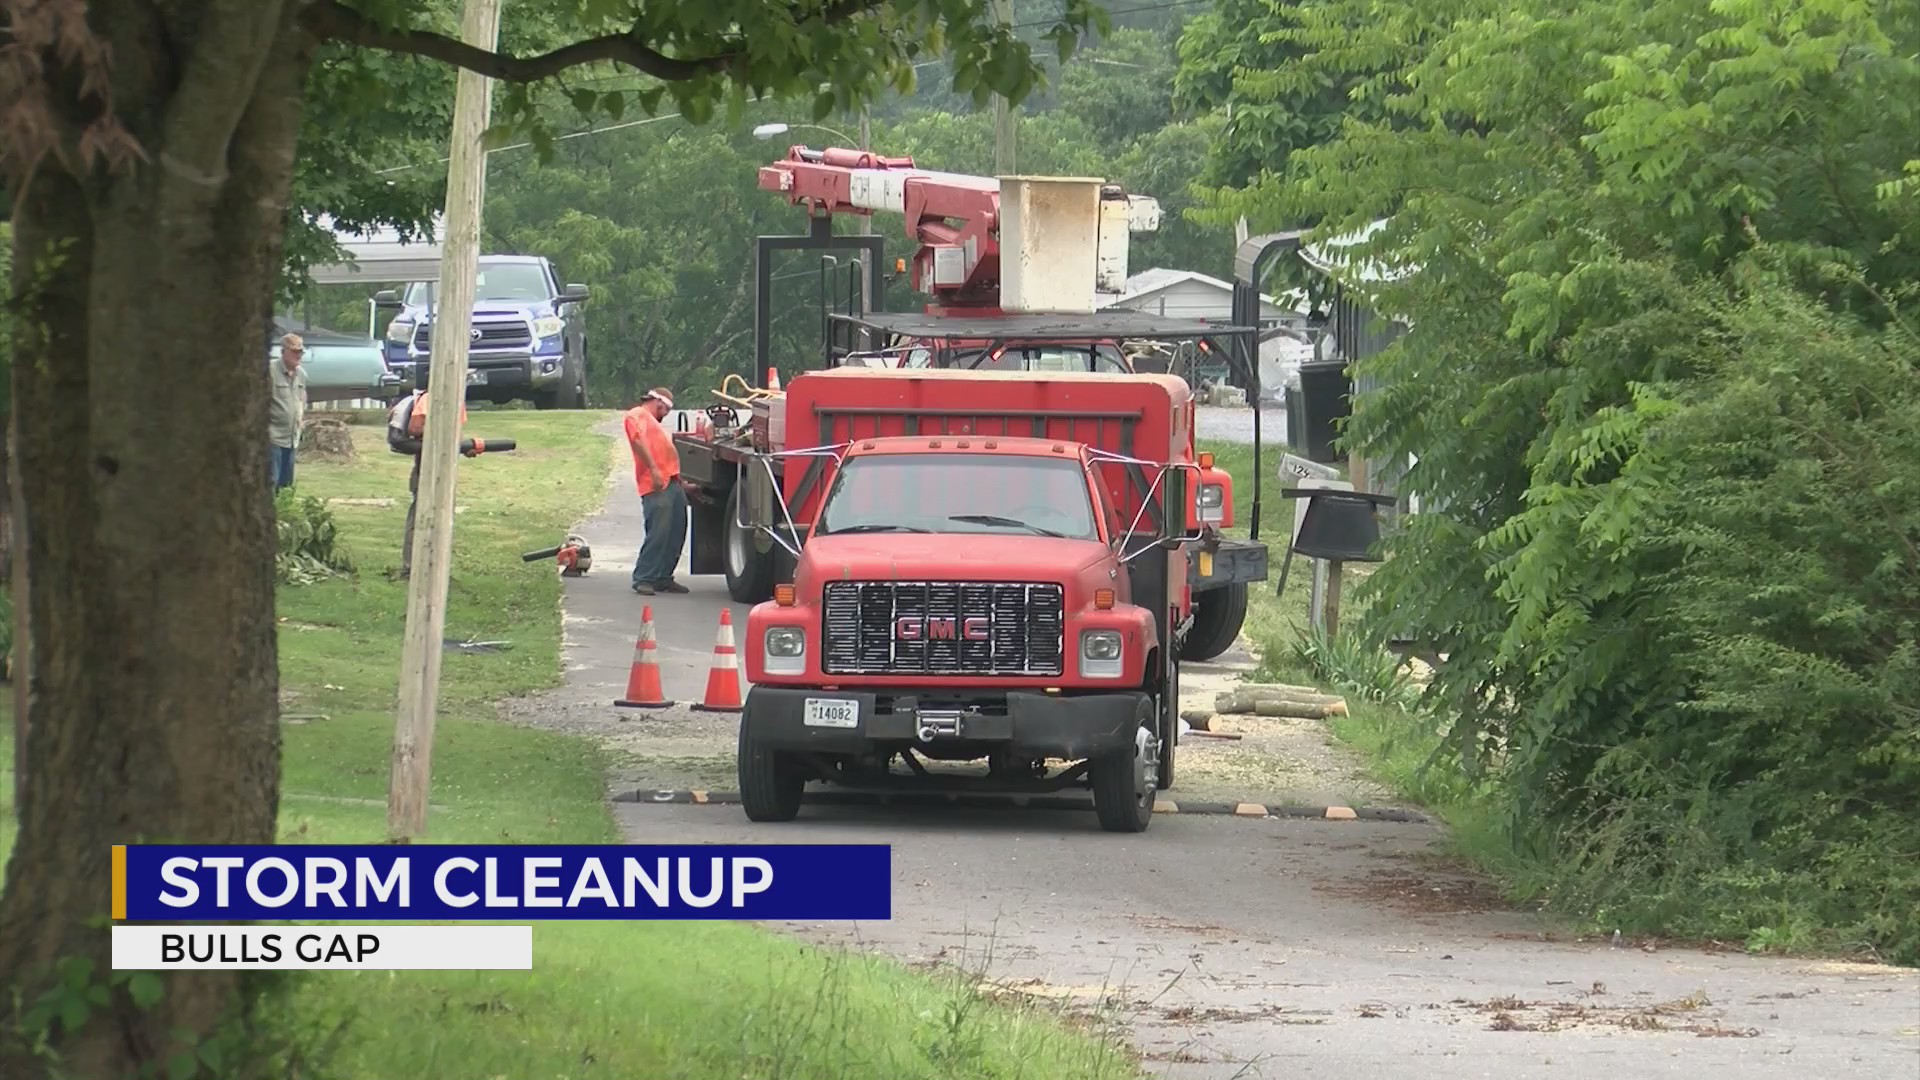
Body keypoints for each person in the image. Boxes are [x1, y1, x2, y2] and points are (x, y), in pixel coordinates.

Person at [386, 364, 477, 579]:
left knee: (442, 517)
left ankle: (435, 567)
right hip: (424, 468)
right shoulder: (420, 401)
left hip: (445, 468)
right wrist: (441, 441)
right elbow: (406, 435)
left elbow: (450, 438)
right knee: (419, 514)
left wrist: (463, 447)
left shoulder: (455, 403)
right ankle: (410, 567)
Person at [625, 387, 689, 595]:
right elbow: (636, 439)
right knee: (659, 532)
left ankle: (663, 576)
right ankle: (644, 577)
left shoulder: (652, 423)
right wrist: (653, 469)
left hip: (671, 481)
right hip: (656, 483)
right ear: (659, 403)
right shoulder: (637, 415)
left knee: (676, 531)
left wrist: (682, 483)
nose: (666, 415)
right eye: (666, 410)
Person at [268, 333, 309, 490]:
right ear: (283, 351)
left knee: (286, 486)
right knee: (271, 483)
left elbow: (301, 399)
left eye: (300, 352)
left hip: (292, 439)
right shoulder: (270, 372)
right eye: (294, 351)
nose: (298, 355)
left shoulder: (301, 375)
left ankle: (284, 514)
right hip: (272, 439)